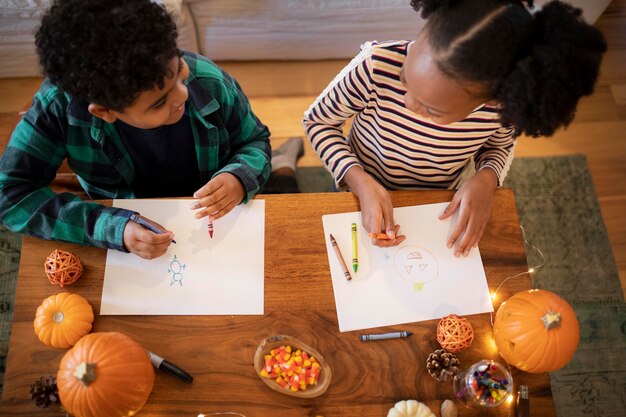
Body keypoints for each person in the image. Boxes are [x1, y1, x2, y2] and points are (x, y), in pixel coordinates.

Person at [0, 0, 301, 260]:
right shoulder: (57, 110)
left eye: (180, 72)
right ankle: (284, 164)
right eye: (159, 103)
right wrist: (111, 227)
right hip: (128, 220)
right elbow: (10, 195)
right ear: (105, 112)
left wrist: (238, 176)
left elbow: (254, 139)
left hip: (215, 214)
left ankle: (283, 164)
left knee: (284, 196)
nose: (183, 95)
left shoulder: (209, 81)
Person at [303, 0, 606, 256]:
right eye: (406, 79)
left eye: (432, 110)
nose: (408, 102)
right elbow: (318, 121)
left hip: (438, 200)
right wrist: (359, 181)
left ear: (491, 100)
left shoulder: (500, 109)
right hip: (358, 185)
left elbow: (499, 146)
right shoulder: (376, 66)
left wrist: (488, 178)